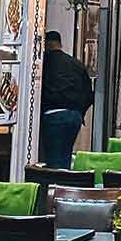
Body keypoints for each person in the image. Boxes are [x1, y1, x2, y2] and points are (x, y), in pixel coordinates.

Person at [39, 30, 93, 168]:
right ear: (60, 44)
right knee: (65, 155)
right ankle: (64, 183)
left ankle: (55, 187)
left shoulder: (43, 62)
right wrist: (80, 113)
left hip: (52, 115)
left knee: (53, 159)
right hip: (73, 116)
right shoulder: (75, 63)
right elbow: (88, 93)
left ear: (46, 44)